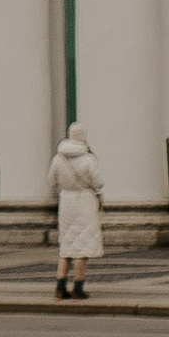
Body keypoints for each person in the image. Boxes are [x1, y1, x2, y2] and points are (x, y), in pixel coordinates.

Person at [49, 120, 104, 300]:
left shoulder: (59, 158)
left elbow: (52, 181)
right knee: (83, 246)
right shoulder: (88, 159)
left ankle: (60, 285)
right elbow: (98, 182)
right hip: (85, 202)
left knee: (66, 246)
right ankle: (78, 286)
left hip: (67, 202)